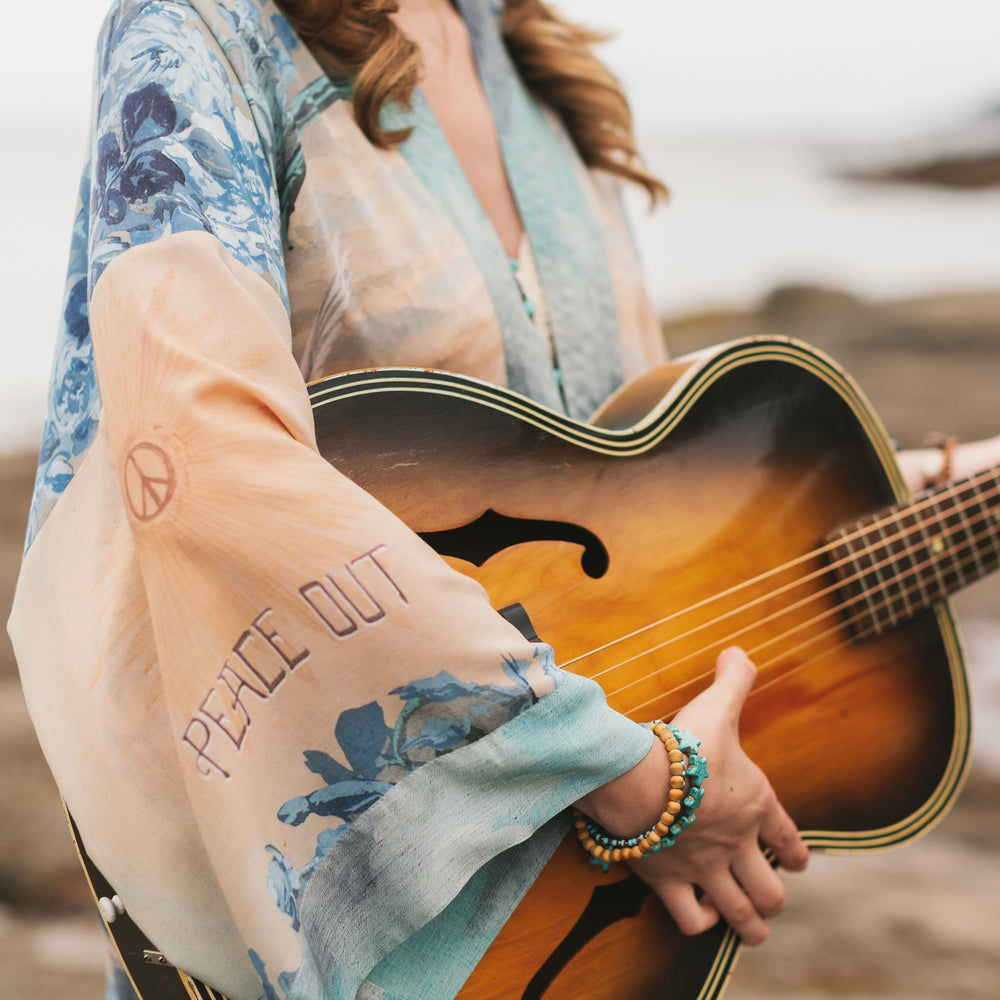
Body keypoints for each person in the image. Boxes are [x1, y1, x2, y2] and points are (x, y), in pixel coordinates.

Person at [8, 1, 999, 998]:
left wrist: (937, 487)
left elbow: (639, 483)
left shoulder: (530, 67)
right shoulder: (202, 34)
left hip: (580, 924)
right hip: (362, 909)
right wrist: (638, 779)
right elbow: (196, 459)